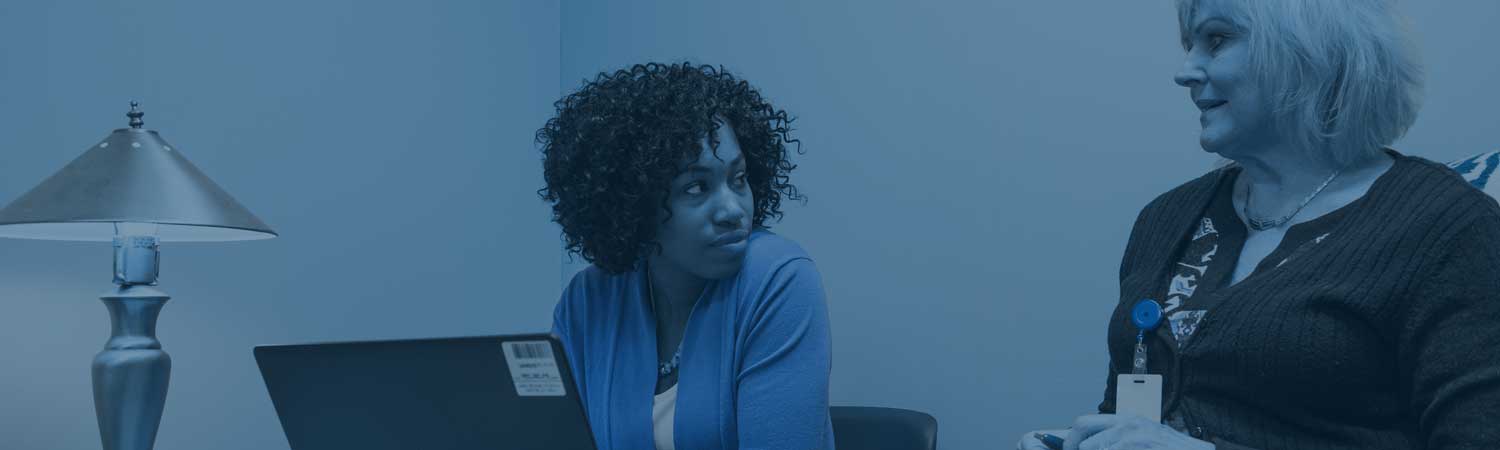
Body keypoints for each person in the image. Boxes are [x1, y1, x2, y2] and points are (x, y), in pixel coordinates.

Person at [1019, 0, 1500, 449]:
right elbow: (1129, 413)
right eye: (1190, 44)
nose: (1185, 71)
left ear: (1308, 52)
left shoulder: (1448, 227)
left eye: (1217, 40)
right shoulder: (1166, 217)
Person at [538, 62, 835, 450]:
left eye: (738, 179)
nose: (732, 210)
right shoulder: (588, 301)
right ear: (636, 204)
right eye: (696, 188)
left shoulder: (777, 280)